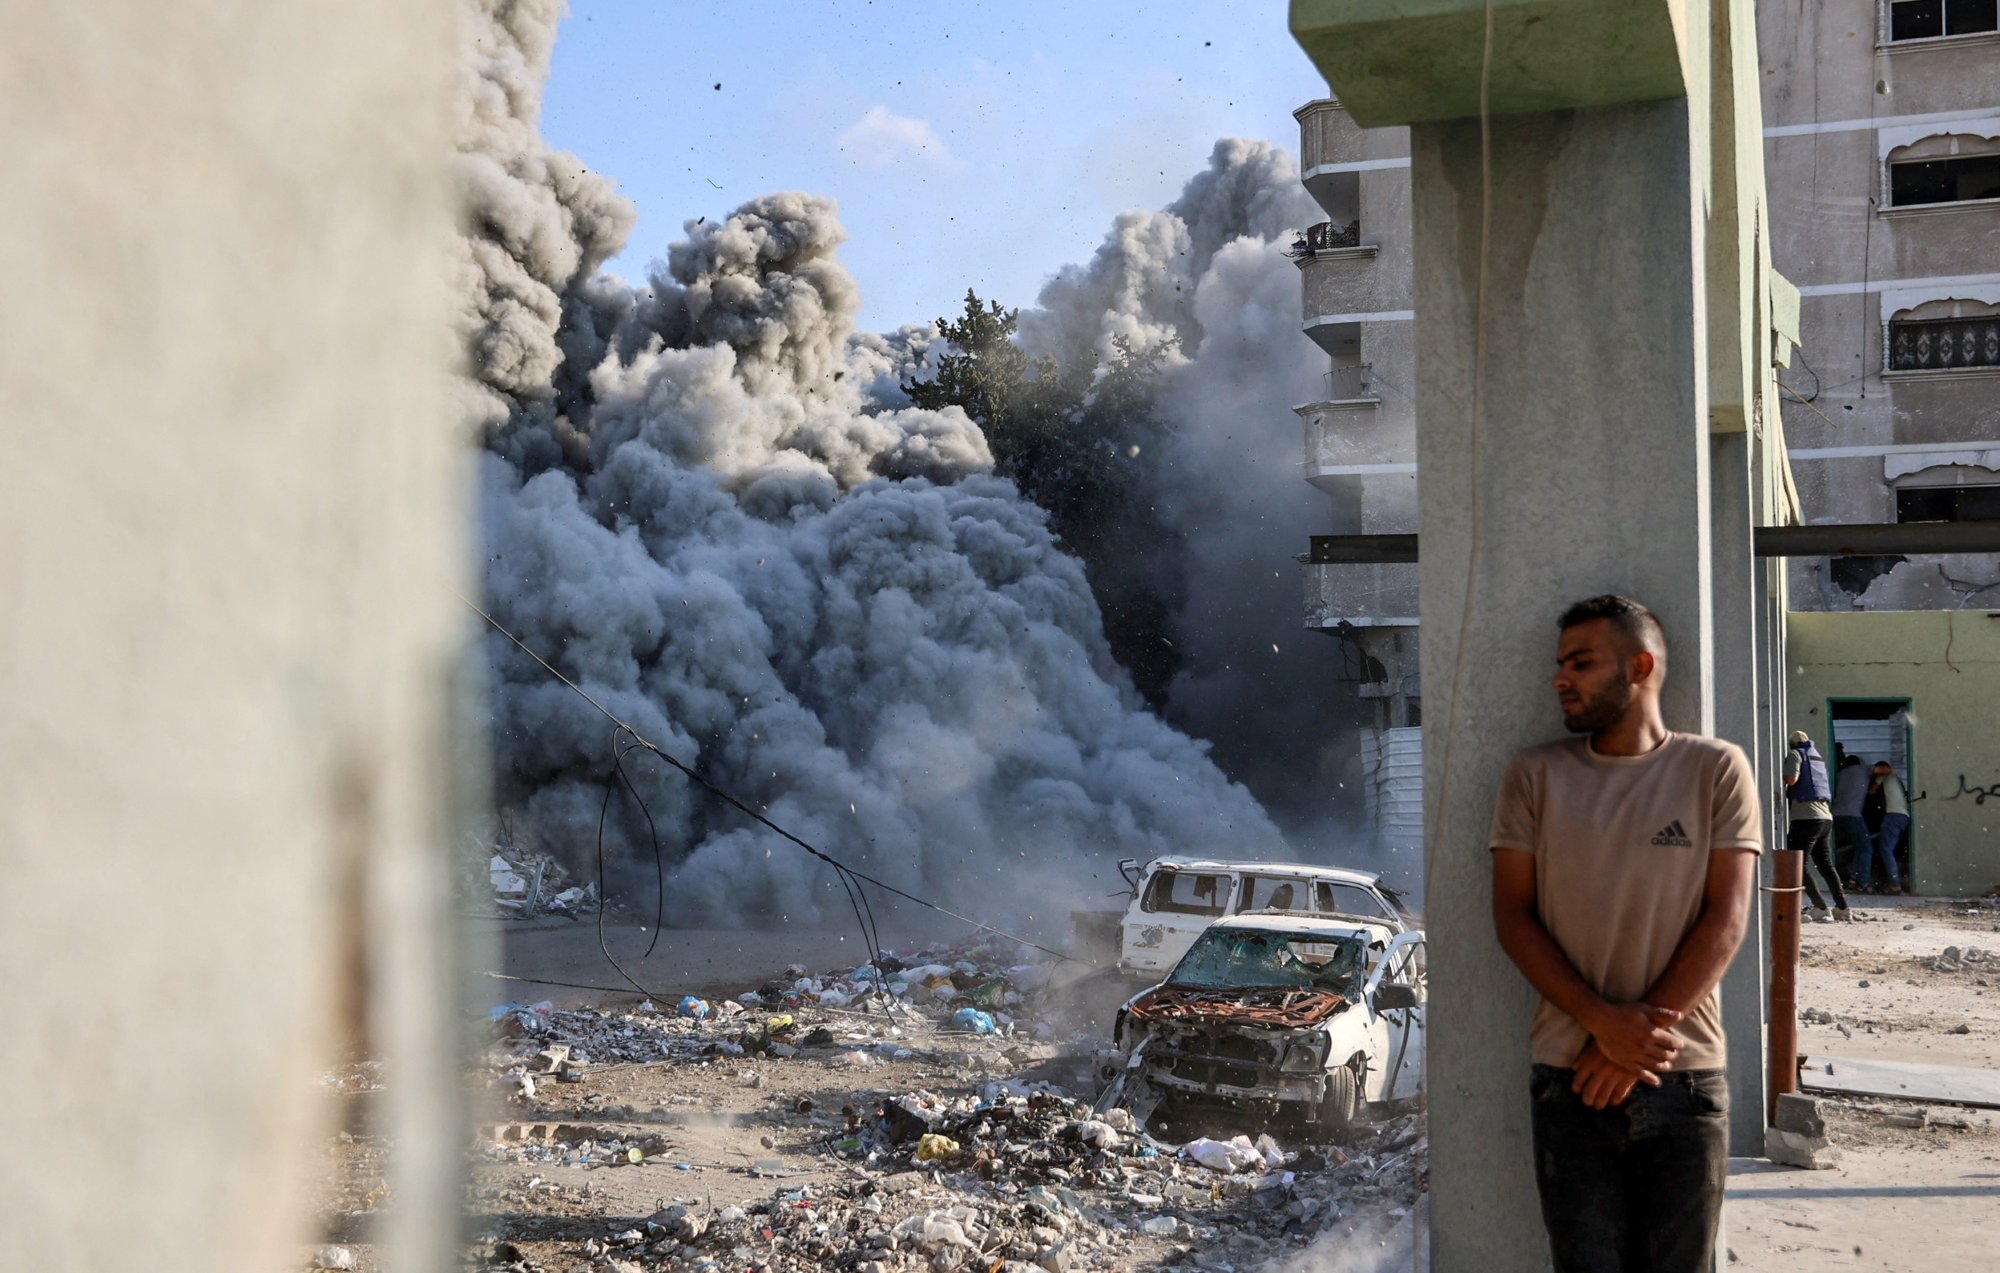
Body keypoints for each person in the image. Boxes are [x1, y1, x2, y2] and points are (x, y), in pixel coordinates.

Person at [1490, 595, 1760, 1273]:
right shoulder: (1535, 775)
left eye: (1581, 662)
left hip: (1684, 1078)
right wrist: (1600, 1023)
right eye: (1560, 664)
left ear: (1640, 666)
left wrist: (1627, 1042)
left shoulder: (1717, 769)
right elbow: (1513, 916)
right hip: (1569, 1083)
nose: (1559, 678)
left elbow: (1727, 919)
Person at [1784, 731, 1849, 922]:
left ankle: (1820, 907)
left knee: (1798, 864)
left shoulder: (1796, 754)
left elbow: (1792, 780)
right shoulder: (1816, 758)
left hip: (1806, 818)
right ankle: (1842, 907)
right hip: (1825, 818)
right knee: (1825, 865)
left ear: (1792, 744)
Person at [1861, 761, 1909, 895]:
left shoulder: (1885, 775)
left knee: (1886, 850)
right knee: (1892, 851)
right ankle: (1895, 882)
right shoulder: (1897, 780)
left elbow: (1871, 792)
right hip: (1903, 816)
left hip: (1893, 815)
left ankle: (1895, 886)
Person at [1830, 753, 1871, 887]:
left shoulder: (1841, 774)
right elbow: (1886, 770)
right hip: (1852, 815)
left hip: (1835, 814)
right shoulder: (1862, 770)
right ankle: (1862, 882)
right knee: (1865, 848)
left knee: (1834, 848)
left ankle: (1852, 879)